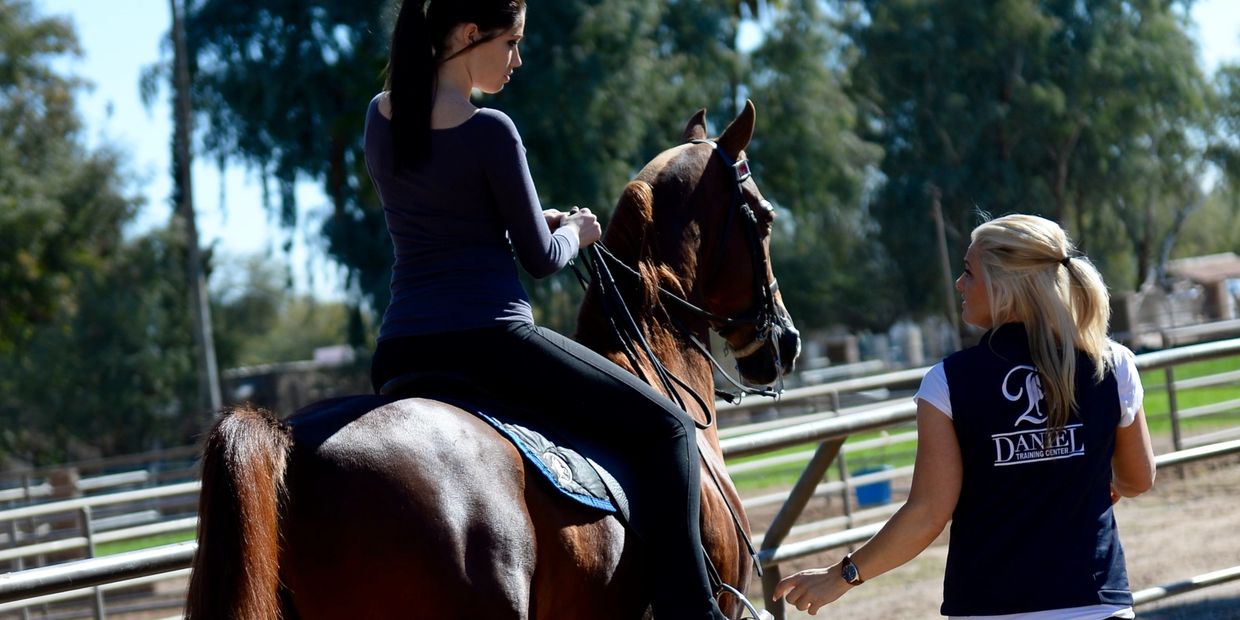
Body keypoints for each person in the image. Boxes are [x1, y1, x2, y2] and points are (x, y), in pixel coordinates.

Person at [363, 2, 730, 618]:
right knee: (668, 427)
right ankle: (694, 611)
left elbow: (452, 231)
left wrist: (535, 224)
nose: (518, 59)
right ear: (468, 31)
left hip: (401, 348)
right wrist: (579, 233)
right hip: (491, 342)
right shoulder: (490, 130)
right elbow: (539, 258)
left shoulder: (381, 116)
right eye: (511, 43)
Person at [773, 214, 1156, 619]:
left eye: (969, 273)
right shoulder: (1113, 365)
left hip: (988, 606)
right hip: (1096, 603)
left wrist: (842, 575)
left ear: (1004, 286)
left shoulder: (948, 382)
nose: (959, 283)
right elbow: (1138, 479)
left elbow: (927, 514)